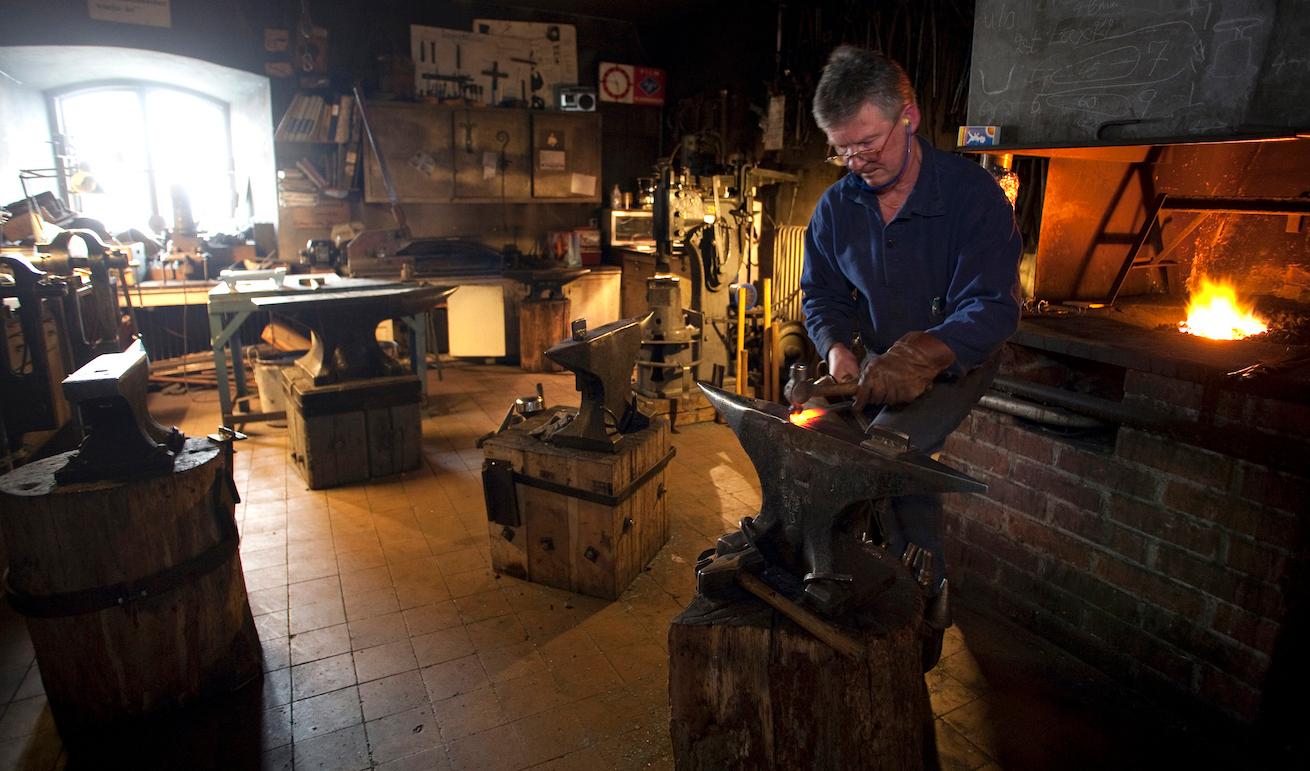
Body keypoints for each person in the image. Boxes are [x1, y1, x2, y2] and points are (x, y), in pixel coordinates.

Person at [800, 45, 1022, 667]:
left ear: (909, 117)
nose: (855, 161)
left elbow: (994, 308)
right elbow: (821, 294)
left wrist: (924, 355)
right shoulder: (837, 207)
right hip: (871, 361)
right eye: (842, 148)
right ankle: (858, 581)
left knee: (890, 457)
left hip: (957, 354)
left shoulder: (973, 197)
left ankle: (923, 619)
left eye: (867, 143)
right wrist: (838, 350)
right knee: (828, 450)